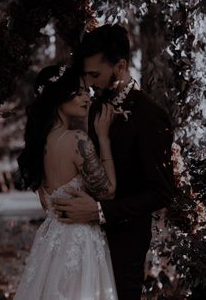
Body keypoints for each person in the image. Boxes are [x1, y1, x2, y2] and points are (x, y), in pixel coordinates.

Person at [52, 25, 175, 300]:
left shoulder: (150, 116)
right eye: (87, 75)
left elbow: (162, 191)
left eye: (96, 75)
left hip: (126, 244)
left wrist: (100, 211)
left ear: (120, 66)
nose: (90, 83)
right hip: (87, 239)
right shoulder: (97, 107)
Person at [14, 64, 119, 300]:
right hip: (79, 242)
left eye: (87, 91)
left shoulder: (39, 145)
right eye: (79, 91)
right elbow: (109, 191)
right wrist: (103, 138)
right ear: (58, 96)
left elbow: (46, 204)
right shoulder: (76, 140)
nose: (87, 97)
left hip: (50, 241)